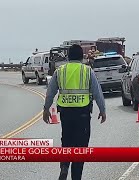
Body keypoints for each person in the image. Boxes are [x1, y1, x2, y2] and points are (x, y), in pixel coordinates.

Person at [43, 44, 106, 180]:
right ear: (81, 57)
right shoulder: (87, 71)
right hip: (82, 113)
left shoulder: (60, 71)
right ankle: (76, 177)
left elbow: (50, 92)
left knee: (66, 140)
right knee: (80, 147)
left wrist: (46, 109)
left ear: (68, 57)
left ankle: (64, 166)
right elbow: (97, 92)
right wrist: (102, 110)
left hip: (65, 113)